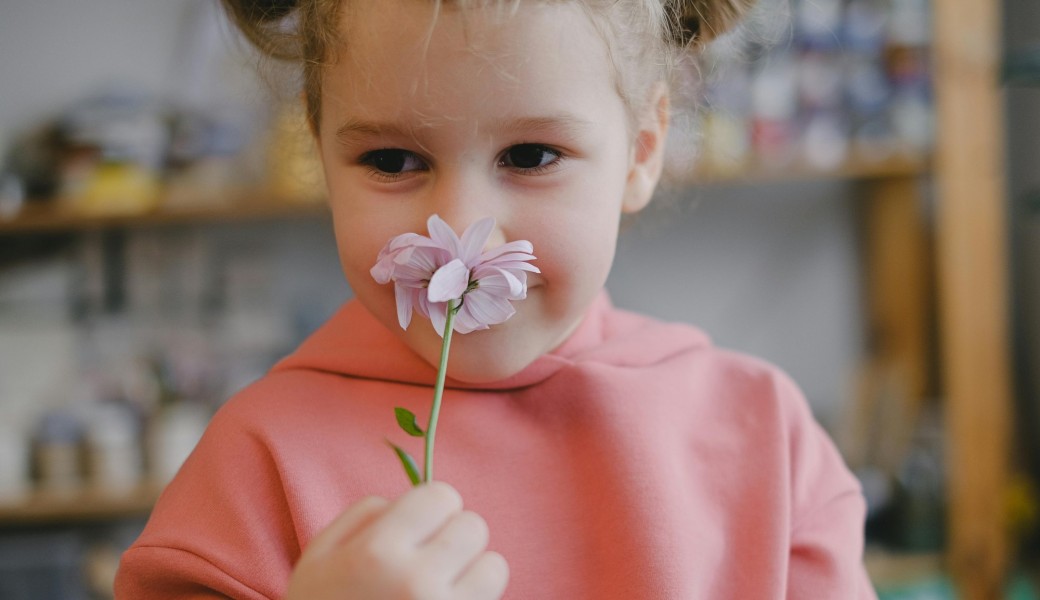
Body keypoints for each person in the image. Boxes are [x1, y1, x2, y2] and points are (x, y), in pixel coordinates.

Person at [115, 0, 877, 598]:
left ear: (643, 148)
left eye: (532, 156)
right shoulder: (254, 466)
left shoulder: (765, 440)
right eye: (392, 159)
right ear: (320, 146)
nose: (461, 231)